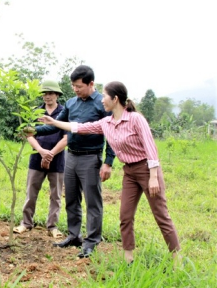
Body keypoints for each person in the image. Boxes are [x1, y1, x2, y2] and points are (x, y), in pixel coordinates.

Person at [38, 81, 181, 264]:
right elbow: (79, 128)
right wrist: (53, 121)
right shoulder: (106, 122)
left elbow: (150, 146)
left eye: (105, 96)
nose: (102, 99)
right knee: (125, 216)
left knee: (161, 215)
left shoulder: (136, 119)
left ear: (115, 99)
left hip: (147, 169)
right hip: (129, 171)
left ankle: (177, 258)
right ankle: (128, 257)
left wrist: (153, 176)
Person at [30, 65, 115, 258]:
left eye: (79, 86)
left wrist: (108, 162)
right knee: (71, 199)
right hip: (71, 156)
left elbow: (112, 134)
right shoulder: (71, 103)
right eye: (73, 86)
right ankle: (74, 235)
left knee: (92, 201)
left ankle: (92, 240)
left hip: (91, 158)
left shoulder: (102, 104)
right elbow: (55, 126)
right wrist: (34, 130)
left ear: (91, 84)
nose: (75, 90)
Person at [13, 80, 67, 238]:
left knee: (56, 195)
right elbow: (28, 135)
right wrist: (42, 151)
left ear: (57, 95)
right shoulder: (35, 112)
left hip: (57, 160)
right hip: (36, 158)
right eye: (44, 93)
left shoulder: (64, 113)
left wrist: (51, 154)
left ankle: (52, 226)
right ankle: (26, 223)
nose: (47, 96)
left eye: (50, 93)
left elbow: (66, 138)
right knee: (31, 192)